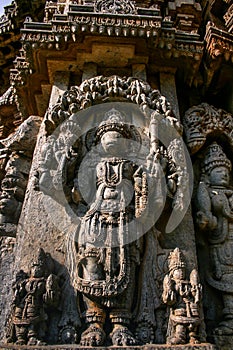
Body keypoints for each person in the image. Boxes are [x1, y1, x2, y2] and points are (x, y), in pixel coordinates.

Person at [71, 108, 163, 346]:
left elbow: (144, 194)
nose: (111, 138)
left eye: (117, 134)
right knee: (92, 262)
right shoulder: (93, 164)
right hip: (96, 218)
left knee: (126, 264)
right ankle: (94, 321)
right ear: (99, 140)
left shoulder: (132, 165)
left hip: (125, 219)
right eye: (106, 134)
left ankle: (121, 322)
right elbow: (82, 194)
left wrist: (149, 176)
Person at [196, 142, 233, 335]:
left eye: (226, 171)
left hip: (229, 238)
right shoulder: (208, 191)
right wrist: (206, 220)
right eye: (219, 171)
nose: (224, 174)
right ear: (209, 173)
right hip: (221, 244)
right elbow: (206, 216)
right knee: (227, 278)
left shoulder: (228, 192)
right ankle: (229, 316)